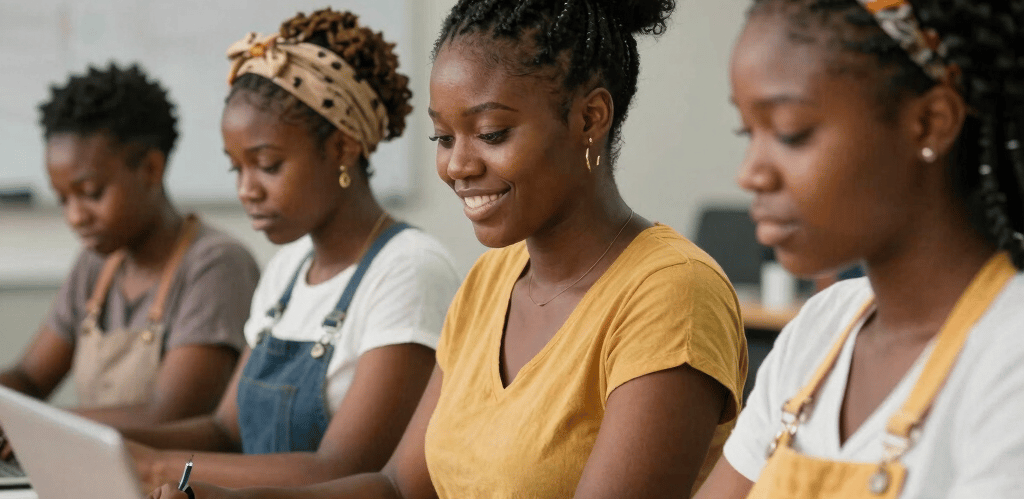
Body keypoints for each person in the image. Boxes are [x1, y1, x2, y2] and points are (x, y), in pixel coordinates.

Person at [149, 1, 748, 498]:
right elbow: (399, 487)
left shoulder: (672, 293)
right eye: (443, 136)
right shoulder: (490, 282)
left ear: (589, 117)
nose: (457, 165)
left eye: (491, 134)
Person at [695, 0, 1024, 497]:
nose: (751, 173)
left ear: (931, 122)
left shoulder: (1010, 353)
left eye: (790, 133)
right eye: (749, 132)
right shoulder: (819, 329)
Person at [125, 7, 462, 490]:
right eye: (235, 168)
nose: (246, 189)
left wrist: (157, 466)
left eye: (267, 164)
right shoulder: (286, 269)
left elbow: (341, 470)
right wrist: (99, 439)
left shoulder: (409, 269)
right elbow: (225, 428)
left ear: (343, 149)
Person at [0, 63, 260, 459]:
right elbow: (30, 378)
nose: (75, 215)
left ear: (151, 169)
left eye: (91, 192)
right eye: (63, 198)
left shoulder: (215, 266)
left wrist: (29, 429)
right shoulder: (96, 264)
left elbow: (168, 414)